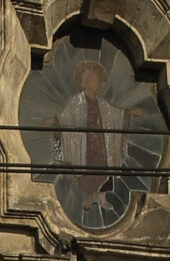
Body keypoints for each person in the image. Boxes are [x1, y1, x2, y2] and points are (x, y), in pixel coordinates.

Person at [51, 58, 125, 214]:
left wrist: (127, 114)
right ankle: (89, 197)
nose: (94, 83)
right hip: (85, 143)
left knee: (105, 166)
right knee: (87, 169)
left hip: (101, 143)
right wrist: (56, 121)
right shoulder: (76, 101)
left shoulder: (102, 103)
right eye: (90, 80)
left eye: (96, 80)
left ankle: (102, 197)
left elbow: (114, 115)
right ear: (83, 82)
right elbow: (66, 117)